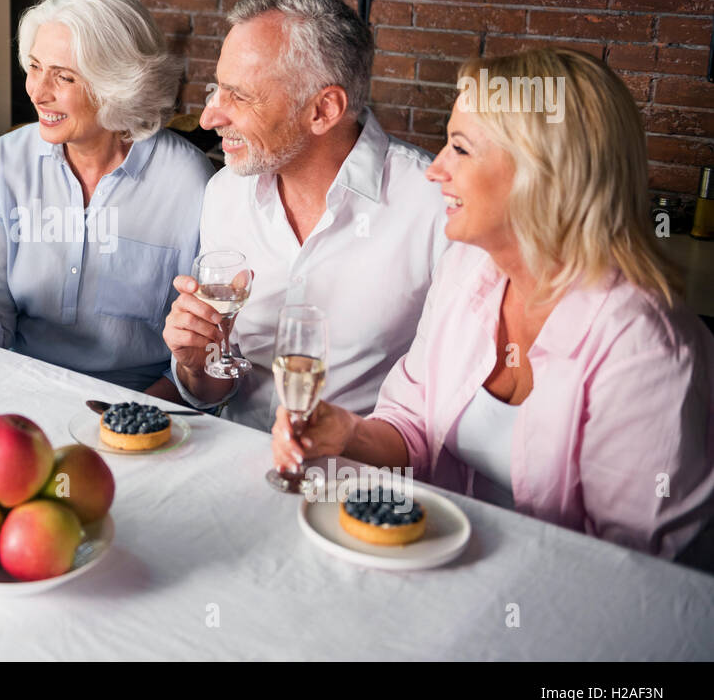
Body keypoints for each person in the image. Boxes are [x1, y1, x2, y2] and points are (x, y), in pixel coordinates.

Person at [273, 47, 714, 561]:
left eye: (460, 148)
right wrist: (346, 432)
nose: (434, 169)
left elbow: (633, 569)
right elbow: (412, 428)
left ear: (543, 173)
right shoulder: (468, 269)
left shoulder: (644, 344)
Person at [163, 0, 447, 430]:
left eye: (240, 96)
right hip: (236, 456)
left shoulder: (435, 207)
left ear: (323, 110)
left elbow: (449, 399)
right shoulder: (225, 194)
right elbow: (217, 386)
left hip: (358, 478)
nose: (209, 117)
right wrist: (199, 364)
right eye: (217, 90)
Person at [0, 0, 215, 394]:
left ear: (117, 85)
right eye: (34, 67)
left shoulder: (188, 181)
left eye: (63, 76)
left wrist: (124, 418)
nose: (37, 91)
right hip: (23, 390)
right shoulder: (5, 161)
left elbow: (201, 357)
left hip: (142, 406)